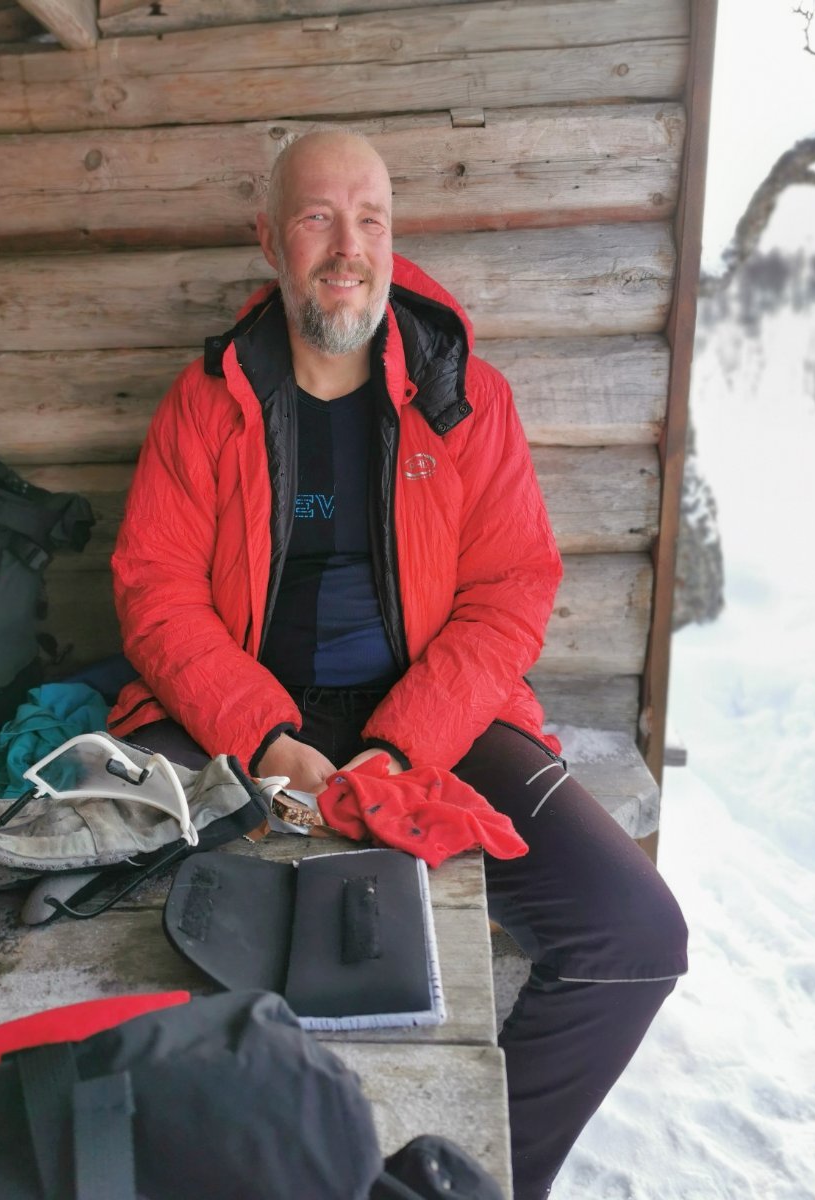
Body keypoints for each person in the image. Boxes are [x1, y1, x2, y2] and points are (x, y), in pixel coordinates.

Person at [107, 129, 688, 1198]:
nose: (349, 246)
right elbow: (156, 591)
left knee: (635, 936)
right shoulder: (208, 401)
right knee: (113, 929)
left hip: (434, 720)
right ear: (270, 238)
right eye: (318, 217)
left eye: (369, 219)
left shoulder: (464, 398)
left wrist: (402, 746)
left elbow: (511, 589)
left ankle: (450, 1182)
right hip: (237, 719)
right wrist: (263, 736)